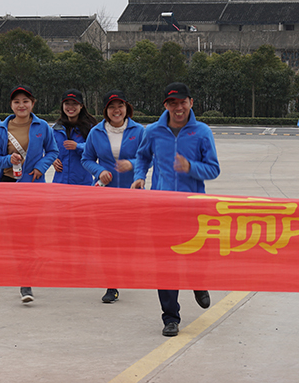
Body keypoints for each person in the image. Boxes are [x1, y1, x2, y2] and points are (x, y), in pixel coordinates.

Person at [132, 82, 220, 337]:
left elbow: (213, 169)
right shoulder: (154, 131)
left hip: (193, 207)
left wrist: (190, 167)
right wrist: (140, 176)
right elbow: (143, 157)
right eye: (172, 103)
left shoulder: (202, 132)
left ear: (191, 103)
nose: (178, 108)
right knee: (165, 263)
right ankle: (170, 317)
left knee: (196, 254)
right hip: (162, 208)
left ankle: (198, 282)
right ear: (166, 106)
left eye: (182, 102)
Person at [0, 84, 59, 303]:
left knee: (30, 234)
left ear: (33, 103)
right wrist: (8, 160)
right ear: (11, 105)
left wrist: (41, 167)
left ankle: (26, 280)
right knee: (18, 235)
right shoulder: (3, 129)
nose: (22, 105)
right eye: (17, 102)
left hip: (34, 186)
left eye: (26, 101)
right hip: (10, 186)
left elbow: (54, 151)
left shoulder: (42, 127)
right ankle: (24, 279)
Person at [81, 90, 145, 304]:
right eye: (111, 107)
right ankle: (111, 284)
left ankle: (126, 271)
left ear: (127, 108)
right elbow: (86, 158)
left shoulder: (139, 131)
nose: (116, 110)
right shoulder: (96, 132)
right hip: (104, 195)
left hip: (132, 193)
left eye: (120, 106)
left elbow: (148, 157)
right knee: (108, 241)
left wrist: (133, 164)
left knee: (128, 239)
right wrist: (98, 171)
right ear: (105, 111)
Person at [52, 89, 96, 186]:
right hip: (60, 182)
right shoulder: (56, 128)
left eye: (74, 103)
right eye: (67, 103)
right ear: (62, 106)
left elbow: (96, 148)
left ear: (81, 106)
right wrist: (53, 159)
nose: (70, 107)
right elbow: (48, 148)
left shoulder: (90, 128)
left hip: (83, 183)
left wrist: (78, 146)